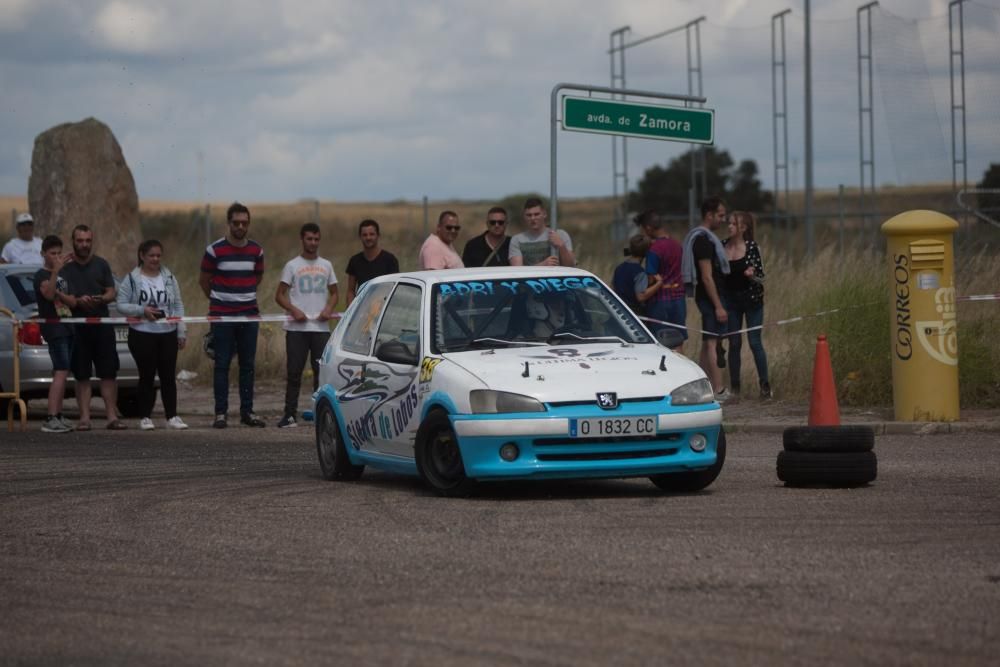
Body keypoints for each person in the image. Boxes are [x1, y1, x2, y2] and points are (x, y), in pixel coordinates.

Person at [199, 202, 265, 429]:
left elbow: (257, 278)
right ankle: (220, 413)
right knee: (222, 364)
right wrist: (221, 301)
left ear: (249, 224)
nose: (240, 227)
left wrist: (241, 295)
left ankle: (247, 411)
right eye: (236, 223)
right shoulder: (214, 250)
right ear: (229, 223)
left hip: (249, 315)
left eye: (244, 223)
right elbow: (204, 281)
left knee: (247, 366)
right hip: (222, 317)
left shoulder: (257, 251)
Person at [116, 239, 188, 430]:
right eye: (151, 255)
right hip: (142, 333)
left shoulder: (169, 277)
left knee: (168, 376)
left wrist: (181, 330)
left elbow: (178, 304)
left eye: (158, 255)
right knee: (146, 376)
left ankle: (172, 416)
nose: (155, 259)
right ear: (142, 256)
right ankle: (145, 417)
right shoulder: (132, 279)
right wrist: (141, 310)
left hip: (167, 333)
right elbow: (121, 304)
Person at [275, 222, 339, 429]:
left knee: (321, 374)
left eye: (316, 239)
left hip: (320, 329)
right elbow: (279, 295)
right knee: (294, 372)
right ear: (302, 239)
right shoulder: (292, 265)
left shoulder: (327, 265)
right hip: (297, 329)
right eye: (309, 239)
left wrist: (329, 309)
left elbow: (335, 292)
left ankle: (320, 415)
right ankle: (289, 415)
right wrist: (294, 310)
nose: (313, 243)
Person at [60, 224, 124, 429]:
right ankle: (84, 418)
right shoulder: (66, 269)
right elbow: (60, 297)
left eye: (88, 241)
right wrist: (78, 301)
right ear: (73, 242)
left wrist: (101, 299)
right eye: (80, 241)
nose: (84, 245)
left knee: (108, 373)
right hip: (77, 327)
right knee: (82, 374)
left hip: (102, 325)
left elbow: (112, 291)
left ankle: (112, 417)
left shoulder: (101, 264)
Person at [681, 196, 731, 401]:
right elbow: (707, 276)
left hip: (711, 299)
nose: (723, 219)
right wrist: (718, 305)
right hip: (710, 299)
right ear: (708, 215)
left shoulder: (707, 239)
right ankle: (718, 389)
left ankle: (699, 384)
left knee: (706, 342)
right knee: (712, 342)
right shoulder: (703, 241)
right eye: (720, 215)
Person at [721, 211, 772, 399]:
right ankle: (735, 388)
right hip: (731, 302)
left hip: (752, 301)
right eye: (729, 223)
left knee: (754, 342)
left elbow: (762, 277)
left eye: (733, 224)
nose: (729, 227)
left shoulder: (752, 247)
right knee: (734, 343)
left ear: (743, 228)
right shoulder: (722, 246)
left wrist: (753, 276)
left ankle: (765, 385)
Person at [33, 235, 76, 432]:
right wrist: (55, 271)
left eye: (59, 253)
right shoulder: (41, 275)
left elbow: (71, 300)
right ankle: (51, 418)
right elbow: (49, 295)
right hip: (54, 328)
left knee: (63, 372)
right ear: (43, 254)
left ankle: (58, 413)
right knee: (60, 370)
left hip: (67, 325)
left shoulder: (64, 275)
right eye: (52, 254)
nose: (56, 257)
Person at [635, 209, 686, 350]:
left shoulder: (654, 249)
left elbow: (651, 277)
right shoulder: (677, 245)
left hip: (660, 301)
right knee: (678, 341)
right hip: (678, 299)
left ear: (648, 228)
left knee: (660, 342)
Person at [508, 198, 575, 267]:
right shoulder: (517, 240)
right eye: (529, 215)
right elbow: (518, 271)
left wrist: (561, 246)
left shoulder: (561, 235)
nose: (533, 218)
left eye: (536, 214)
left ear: (544, 214)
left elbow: (571, 266)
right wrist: (542, 265)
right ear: (524, 217)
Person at [345, 219, 398, 306]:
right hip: (361, 310)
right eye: (365, 235)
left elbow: (394, 289)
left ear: (378, 235)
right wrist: (351, 311)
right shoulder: (354, 261)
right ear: (360, 237)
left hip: (383, 310)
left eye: (372, 234)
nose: (368, 238)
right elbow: (350, 291)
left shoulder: (390, 260)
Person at [612, 234, 662, 315]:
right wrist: (659, 283)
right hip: (633, 314)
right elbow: (641, 296)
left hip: (618, 310)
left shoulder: (619, 268)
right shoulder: (639, 272)